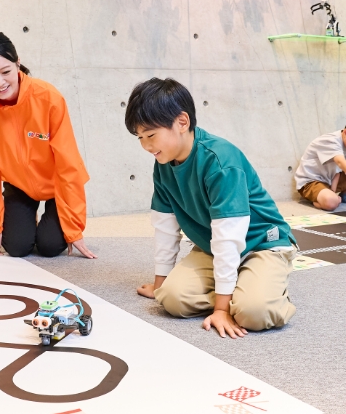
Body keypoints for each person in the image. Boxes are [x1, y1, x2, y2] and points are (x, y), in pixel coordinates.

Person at [126, 78, 297, 338]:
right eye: (140, 137)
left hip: (262, 244)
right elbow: (165, 227)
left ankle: (256, 295)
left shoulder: (220, 161)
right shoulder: (163, 163)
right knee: (171, 299)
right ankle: (239, 289)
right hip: (212, 246)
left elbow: (228, 237)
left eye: (150, 135)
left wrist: (221, 309)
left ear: (182, 122)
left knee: (255, 312)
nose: (146, 146)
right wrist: (160, 285)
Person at [0, 31, 95, 259]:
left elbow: (68, 164)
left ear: (18, 63)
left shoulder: (48, 98)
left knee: (50, 246)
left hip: (57, 186)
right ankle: (26, 220)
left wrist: (73, 229)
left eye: (5, 72)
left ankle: (50, 222)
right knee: (17, 247)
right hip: (19, 185)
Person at [294, 126, 346, 211]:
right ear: (345, 132)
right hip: (311, 182)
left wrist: (333, 191)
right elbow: (340, 162)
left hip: (331, 180)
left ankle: (341, 195)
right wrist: (334, 197)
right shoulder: (330, 141)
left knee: (334, 198)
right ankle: (319, 201)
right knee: (332, 201)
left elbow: (337, 172)